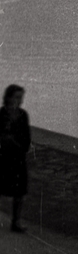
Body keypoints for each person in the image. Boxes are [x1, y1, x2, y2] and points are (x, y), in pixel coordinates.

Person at [0, 84, 31, 233]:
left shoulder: (23, 115)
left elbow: (26, 140)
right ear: (9, 97)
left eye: (21, 98)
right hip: (2, 158)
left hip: (17, 157)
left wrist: (15, 142)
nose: (20, 101)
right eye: (17, 97)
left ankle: (16, 221)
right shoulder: (1, 115)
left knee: (19, 191)